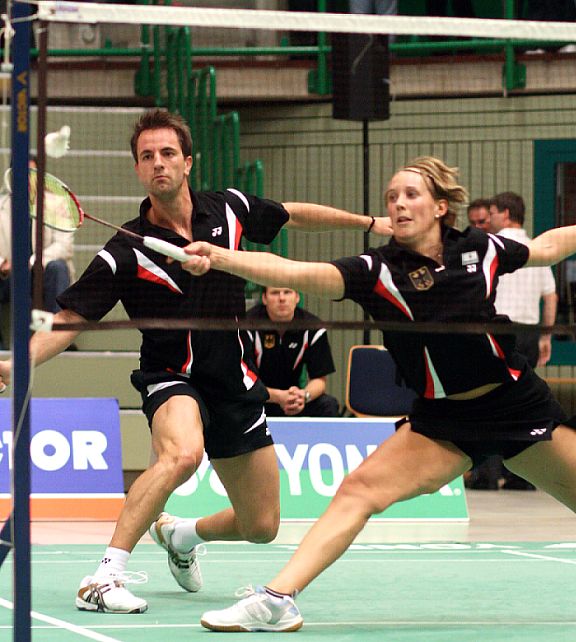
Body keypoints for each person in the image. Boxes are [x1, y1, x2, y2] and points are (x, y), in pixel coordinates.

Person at [179, 156, 576, 632]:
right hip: (441, 422)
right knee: (360, 489)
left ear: (439, 206)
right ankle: (278, 599)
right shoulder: (377, 270)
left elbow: (547, 248)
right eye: (391, 197)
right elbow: (299, 273)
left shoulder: (481, 248)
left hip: (517, 404)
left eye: (410, 194)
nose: (398, 204)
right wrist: (224, 258)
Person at [0, 108, 392, 615]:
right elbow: (71, 317)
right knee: (182, 454)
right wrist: (17, 364)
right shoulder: (124, 250)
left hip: (234, 378)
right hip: (171, 376)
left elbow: (291, 213)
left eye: (167, 153)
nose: (158, 163)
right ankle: (105, 576)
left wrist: (369, 223)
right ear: (138, 170)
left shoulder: (227, 209)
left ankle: (183, 535)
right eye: (147, 156)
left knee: (261, 526)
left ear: (188, 162)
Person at [483, 191, 559, 491]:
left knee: (488, 399)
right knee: (522, 402)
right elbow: (550, 295)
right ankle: (521, 476)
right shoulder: (536, 248)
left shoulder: (492, 246)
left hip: (498, 330)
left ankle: (486, 473)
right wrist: (546, 336)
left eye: (492, 213)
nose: (489, 219)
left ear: (505, 214)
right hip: (528, 332)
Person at [0, 157, 74, 346]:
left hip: (43, 271)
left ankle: (56, 339)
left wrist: (32, 262)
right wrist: (2, 262)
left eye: (33, 174)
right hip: (9, 276)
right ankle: (19, 343)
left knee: (58, 268)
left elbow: (64, 246)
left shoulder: (57, 204)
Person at [247, 286, 339, 417]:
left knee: (328, 405)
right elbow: (241, 381)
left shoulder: (313, 327)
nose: (282, 298)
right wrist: (278, 397)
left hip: (294, 401)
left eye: (287, 292)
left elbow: (319, 380)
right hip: (258, 399)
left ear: (297, 297)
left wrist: (303, 396)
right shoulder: (245, 326)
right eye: (275, 293)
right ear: (264, 298)